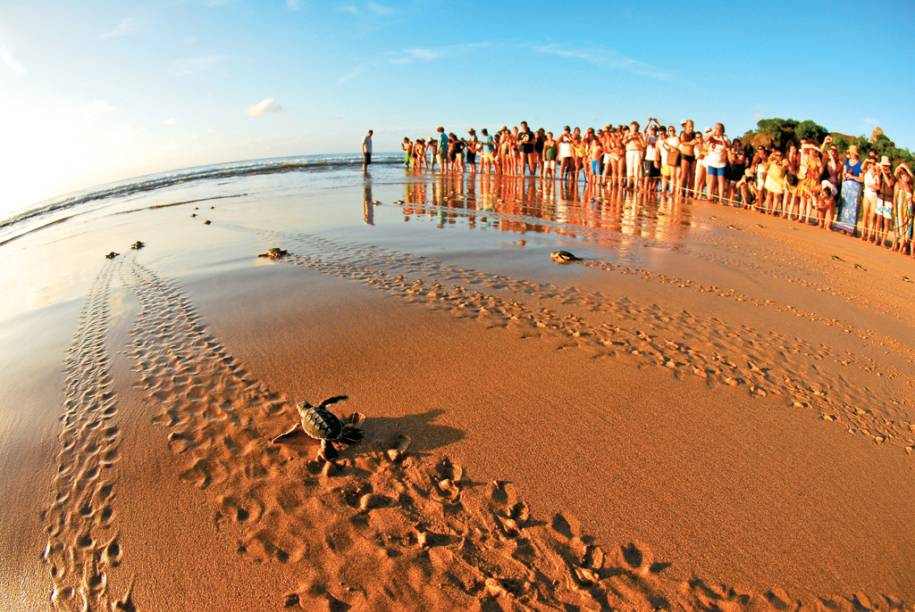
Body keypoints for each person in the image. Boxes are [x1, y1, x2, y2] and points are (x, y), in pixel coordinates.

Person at [704, 123, 728, 203]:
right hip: (712, 161)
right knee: (711, 179)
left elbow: (726, 147)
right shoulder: (711, 137)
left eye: (719, 129)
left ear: (722, 130)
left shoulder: (725, 138)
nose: (717, 130)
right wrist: (712, 133)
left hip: (721, 162)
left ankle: (721, 199)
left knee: (721, 180)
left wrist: (722, 138)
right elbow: (705, 139)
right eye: (716, 128)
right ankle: (709, 197)